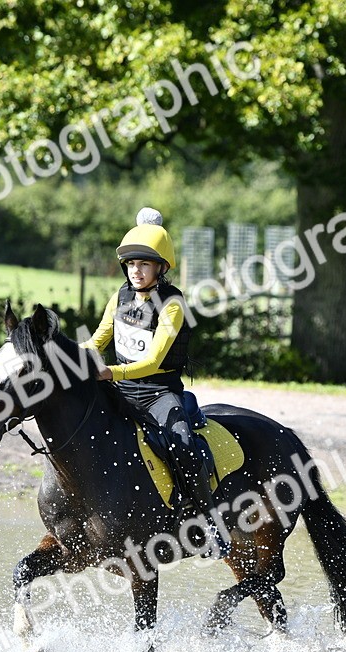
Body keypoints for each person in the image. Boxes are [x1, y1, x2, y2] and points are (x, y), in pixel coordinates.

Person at [80, 208, 230, 558]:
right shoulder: (120, 297)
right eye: (132, 264)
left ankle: (207, 524)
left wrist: (110, 372)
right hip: (120, 390)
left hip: (158, 394)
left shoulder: (172, 304)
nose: (136, 270)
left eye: (144, 264)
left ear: (161, 268)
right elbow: (98, 340)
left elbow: (153, 361)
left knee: (182, 444)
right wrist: (65, 355)